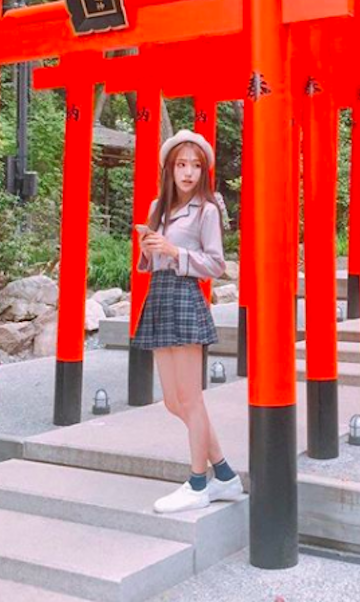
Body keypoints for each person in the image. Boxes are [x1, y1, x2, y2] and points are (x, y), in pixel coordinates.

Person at [134, 129, 244, 514]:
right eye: (181, 165)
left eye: (196, 166)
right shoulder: (157, 208)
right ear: (169, 169)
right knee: (172, 401)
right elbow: (151, 262)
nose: (188, 173)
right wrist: (148, 249)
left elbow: (216, 264)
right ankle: (225, 474)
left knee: (191, 399)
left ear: (203, 171)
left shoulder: (207, 210)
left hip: (184, 295)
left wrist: (174, 251)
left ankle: (199, 482)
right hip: (160, 294)